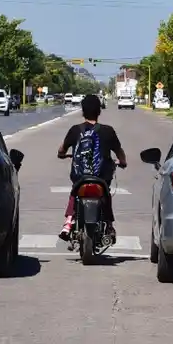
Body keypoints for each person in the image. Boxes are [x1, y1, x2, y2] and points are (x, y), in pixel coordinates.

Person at [57, 94, 127, 243]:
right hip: (102, 177)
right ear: (99, 111)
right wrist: (122, 161)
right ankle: (108, 225)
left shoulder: (75, 130)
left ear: (82, 111)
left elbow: (62, 149)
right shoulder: (108, 131)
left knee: (75, 192)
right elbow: (119, 151)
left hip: (80, 176)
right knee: (106, 195)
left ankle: (69, 221)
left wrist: (62, 154)